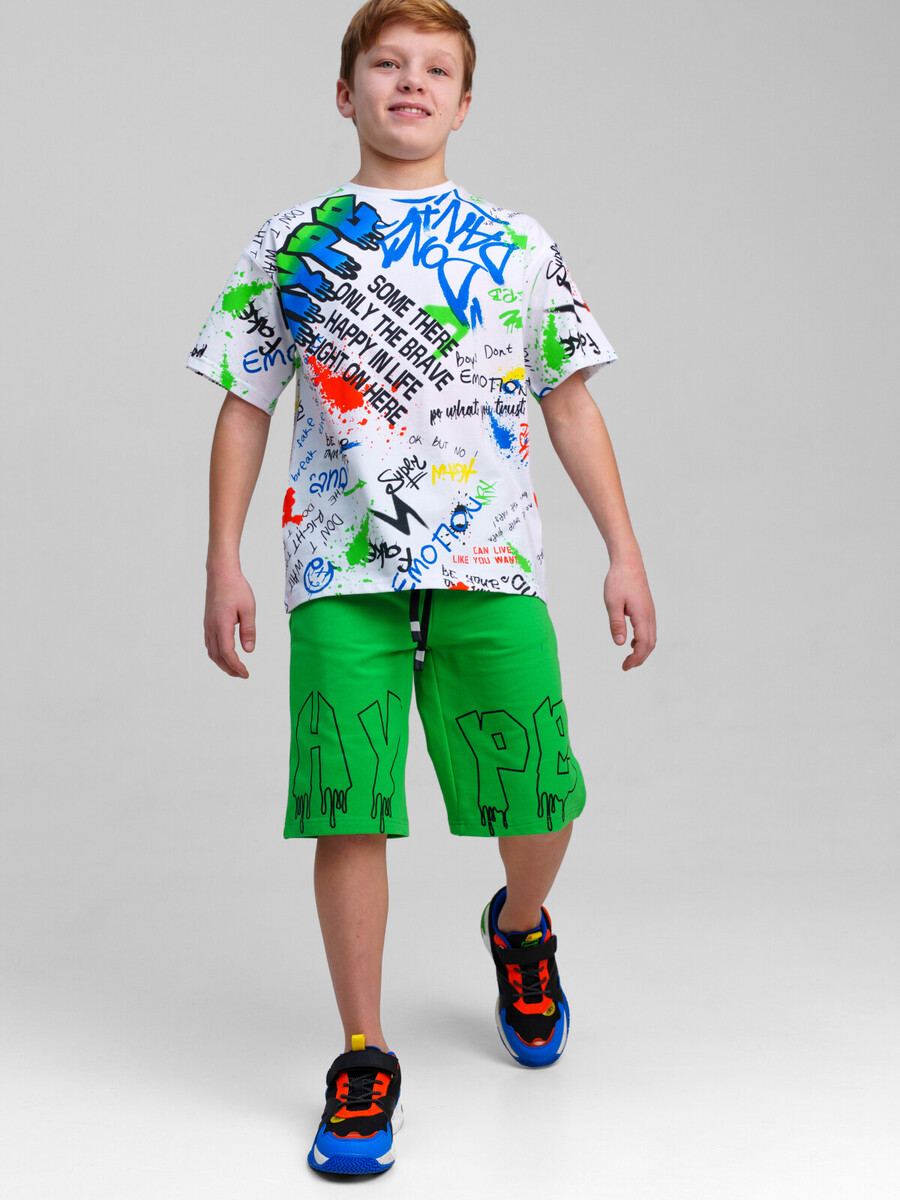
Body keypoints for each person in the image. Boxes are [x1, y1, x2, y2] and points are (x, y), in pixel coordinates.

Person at [186, 0, 656, 1178]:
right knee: (348, 804)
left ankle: (519, 926)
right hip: (336, 570)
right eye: (386, 65)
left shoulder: (517, 244)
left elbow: (569, 403)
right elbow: (245, 405)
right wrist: (223, 557)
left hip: (488, 561)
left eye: (435, 69)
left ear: (464, 100)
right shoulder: (290, 243)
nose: (410, 84)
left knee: (538, 797)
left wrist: (625, 550)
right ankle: (364, 1052)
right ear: (345, 91)